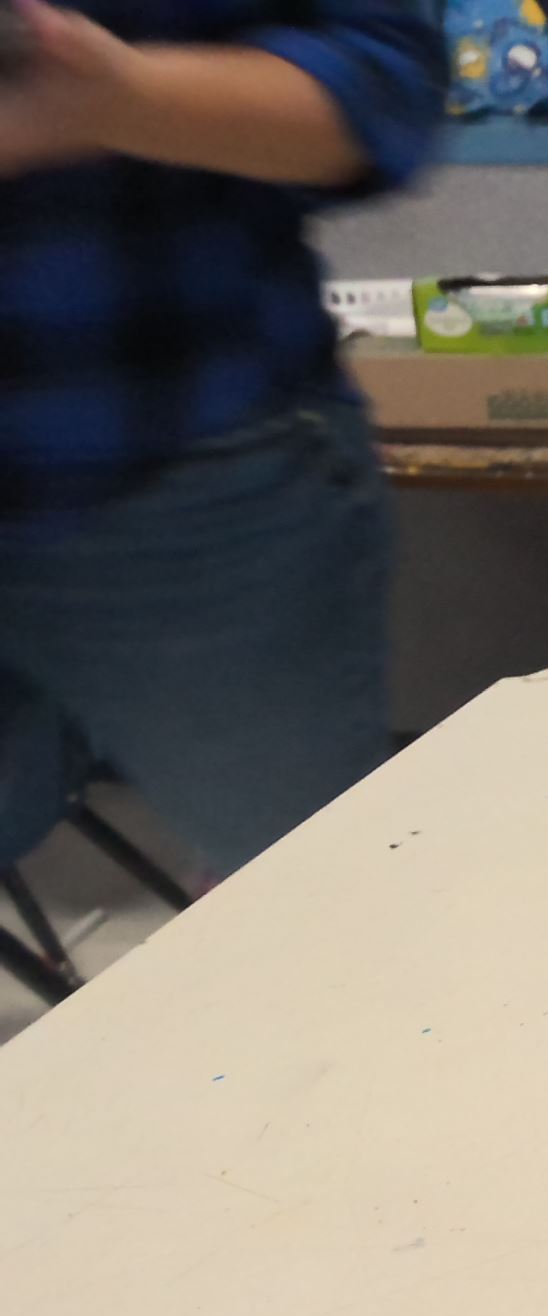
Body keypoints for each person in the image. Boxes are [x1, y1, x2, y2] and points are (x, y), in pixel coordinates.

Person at [0, 0, 445, 878]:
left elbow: (382, 89)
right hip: (175, 459)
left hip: (184, 468)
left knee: (302, 912)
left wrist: (115, 98)